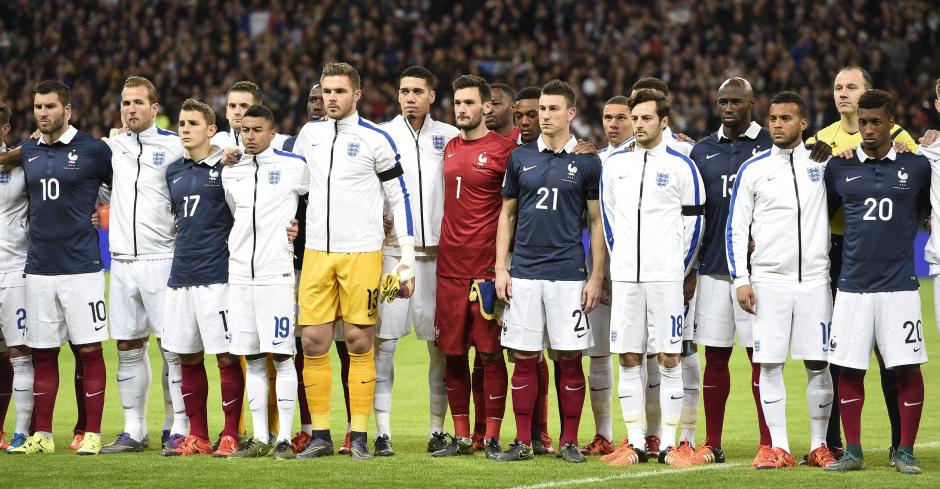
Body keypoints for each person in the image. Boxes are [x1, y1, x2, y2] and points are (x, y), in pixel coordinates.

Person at [292, 62, 415, 461]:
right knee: (312, 341)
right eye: (326, 91)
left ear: (356, 95)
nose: (331, 98)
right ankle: (321, 435)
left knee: (361, 341)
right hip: (315, 253)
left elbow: (399, 198)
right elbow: (295, 187)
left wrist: (406, 259)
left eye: (339, 92)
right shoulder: (308, 135)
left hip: (362, 252)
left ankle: (359, 434)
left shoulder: (374, 139)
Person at [805, 67, 919, 461]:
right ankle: (837, 443)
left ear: (870, 94)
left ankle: (898, 444)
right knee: (840, 355)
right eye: (837, 87)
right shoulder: (822, 142)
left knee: (892, 358)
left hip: (883, 250)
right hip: (837, 253)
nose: (843, 93)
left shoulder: (901, 139)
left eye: (851, 87)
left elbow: (916, 183)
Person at [494, 79, 604, 463]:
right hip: (523, 273)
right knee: (524, 359)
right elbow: (506, 215)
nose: (544, 115)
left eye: (553, 109)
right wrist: (500, 268)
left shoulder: (588, 161)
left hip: (568, 275)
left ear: (571, 114)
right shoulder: (521, 157)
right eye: (542, 109)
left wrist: (595, 275)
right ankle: (524, 441)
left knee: (569, 359)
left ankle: (570, 441)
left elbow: (595, 222)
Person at [727, 91, 836, 470]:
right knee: (769, 365)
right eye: (772, 118)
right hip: (769, 281)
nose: (776, 124)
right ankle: (780, 447)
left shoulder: (824, 164)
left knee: (818, 364)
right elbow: (736, 229)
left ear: (803, 123)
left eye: (786, 118)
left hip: (815, 282)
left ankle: (820, 446)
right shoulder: (753, 169)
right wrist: (740, 278)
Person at [600, 88, 704, 467]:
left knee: (669, 357)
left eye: (646, 118)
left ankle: (671, 444)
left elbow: (695, 221)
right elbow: (609, 221)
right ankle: (636, 442)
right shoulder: (614, 166)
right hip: (627, 277)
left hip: (666, 278)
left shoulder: (681, 166)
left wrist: (679, 270)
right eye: (635, 118)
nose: (639, 124)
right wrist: (621, 262)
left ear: (663, 121)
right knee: (628, 357)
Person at [9, 80, 112, 455]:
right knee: (43, 351)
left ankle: (94, 433)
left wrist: (101, 213)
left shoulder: (93, 150)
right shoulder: (30, 150)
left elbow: (125, 187)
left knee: (89, 350)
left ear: (67, 110)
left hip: (81, 267)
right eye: (38, 106)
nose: (42, 113)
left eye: (50, 106)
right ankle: (43, 436)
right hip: (38, 268)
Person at [372, 66, 459, 456]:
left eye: (417, 91)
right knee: (385, 343)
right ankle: (382, 431)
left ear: (431, 96)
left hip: (440, 258)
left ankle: (437, 430)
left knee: (439, 347)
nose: (409, 97)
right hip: (394, 256)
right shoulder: (381, 135)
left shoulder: (449, 137)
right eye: (404, 91)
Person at [686, 78, 773, 466]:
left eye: (736, 101)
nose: (728, 107)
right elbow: (694, 214)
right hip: (713, 271)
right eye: (722, 101)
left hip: (758, 275)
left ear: (752, 103)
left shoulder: (772, 145)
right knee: (715, 357)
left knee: (761, 358)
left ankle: (768, 443)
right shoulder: (702, 151)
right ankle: (713, 441)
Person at [100, 76, 187, 455]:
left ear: (155, 109)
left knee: (173, 345)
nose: (130, 109)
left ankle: (177, 426)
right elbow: (100, 189)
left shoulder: (174, 145)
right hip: (121, 261)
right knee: (128, 345)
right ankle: (134, 429)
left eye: (137, 102)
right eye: (125, 102)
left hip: (162, 258)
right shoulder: (112, 147)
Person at [432, 74, 517, 459]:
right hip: (449, 266)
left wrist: (505, 264)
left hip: (484, 268)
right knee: (452, 352)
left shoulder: (505, 151)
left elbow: (513, 212)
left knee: (488, 353)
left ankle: (493, 435)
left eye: (469, 103)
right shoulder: (449, 147)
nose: (462, 109)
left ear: (486, 107)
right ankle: (464, 435)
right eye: (458, 103)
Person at [159, 99, 245, 457]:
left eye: (193, 123)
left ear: (211, 130)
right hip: (181, 275)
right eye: (181, 123)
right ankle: (199, 436)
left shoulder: (227, 167)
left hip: (217, 276)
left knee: (225, 357)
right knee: (186, 356)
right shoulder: (173, 172)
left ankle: (230, 435)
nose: (184, 129)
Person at [221, 104, 308, 459]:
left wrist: (297, 228)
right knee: (254, 358)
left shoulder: (293, 167)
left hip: (276, 276)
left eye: (258, 129)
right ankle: (259, 438)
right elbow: (235, 215)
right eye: (246, 130)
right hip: (240, 276)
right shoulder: (231, 172)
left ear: (273, 133)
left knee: (283, 357)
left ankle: (284, 438)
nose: (251, 136)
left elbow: (314, 204)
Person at [581, 95, 633, 457]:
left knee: (639, 354)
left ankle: (648, 434)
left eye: (620, 118)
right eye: (607, 117)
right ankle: (604, 434)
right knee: (597, 354)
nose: (612, 124)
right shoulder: (594, 161)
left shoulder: (646, 158)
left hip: (635, 269)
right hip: (597, 267)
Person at [0, 100, 30, 453]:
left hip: (13, 270)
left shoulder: (24, 164)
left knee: (18, 353)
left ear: (5, 128)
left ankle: (20, 432)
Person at [211, 81, 290, 151]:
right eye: (232, 106)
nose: (237, 112)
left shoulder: (282, 143)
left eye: (244, 106)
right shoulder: (216, 143)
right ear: (227, 112)